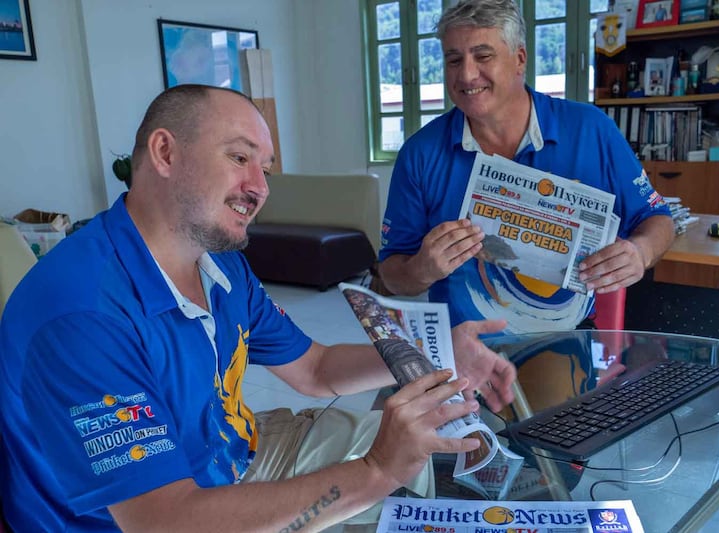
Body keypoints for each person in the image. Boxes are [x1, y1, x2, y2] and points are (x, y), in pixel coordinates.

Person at [0, 84, 517, 531]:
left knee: (447, 463)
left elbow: (313, 369)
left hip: (229, 453)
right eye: (239, 157)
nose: (260, 187)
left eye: (265, 168)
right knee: (396, 493)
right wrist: (376, 472)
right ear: (165, 153)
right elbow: (165, 521)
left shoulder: (218, 264)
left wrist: (434, 353)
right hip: (150, 517)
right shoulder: (82, 315)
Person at [378, 0, 675, 335]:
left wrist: (641, 251)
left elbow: (657, 218)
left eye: (483, 55)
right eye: (453, 60)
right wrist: (422, 269)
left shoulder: (591, 129)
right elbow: (391, 273)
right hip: (466, 354)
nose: (466, 74)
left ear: (520, 59)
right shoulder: (419, 154)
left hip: (568, 344)